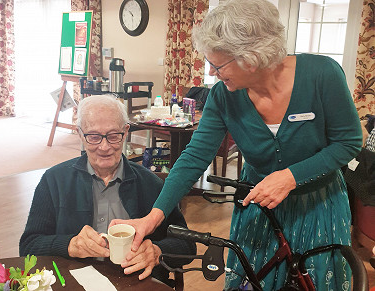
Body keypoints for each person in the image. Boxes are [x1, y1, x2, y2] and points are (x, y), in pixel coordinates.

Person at [110, 0, 363, 290]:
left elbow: (349, 142)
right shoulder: (223, 95)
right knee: (255, 281)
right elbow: (194, 156)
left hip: (317, 205)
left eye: (217, 64)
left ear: (251, 57)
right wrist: (152, 218)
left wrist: (290, 177)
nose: (212, 72)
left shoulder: (322, 75)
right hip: (258, 207)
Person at [19, 94, 196, 286]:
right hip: (72, 283)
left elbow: (187, 246)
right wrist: (69, 245)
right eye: (94, 137)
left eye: (113, 136)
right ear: (80, 134)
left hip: (137, 284)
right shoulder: (54, 181)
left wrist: (156, 251)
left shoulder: (151, 184)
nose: (104, 147)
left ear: (126, 131)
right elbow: (29, 246)